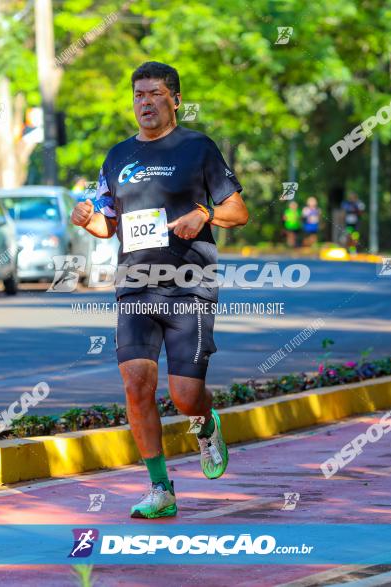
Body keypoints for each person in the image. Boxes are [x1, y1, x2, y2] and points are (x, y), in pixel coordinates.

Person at [70, 62, 248, 519]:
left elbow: (238, 211)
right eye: (137, 95)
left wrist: (205, 215)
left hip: (190, 285)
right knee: (136, 384)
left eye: (153, 94)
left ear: (175, 100)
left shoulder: (197, 147)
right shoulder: (117, 157)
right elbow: (109, 226)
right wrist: (88, 220)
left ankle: (205, 424)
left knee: (186, 393)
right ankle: (160, 488)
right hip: (135, 285)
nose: (144, 102)